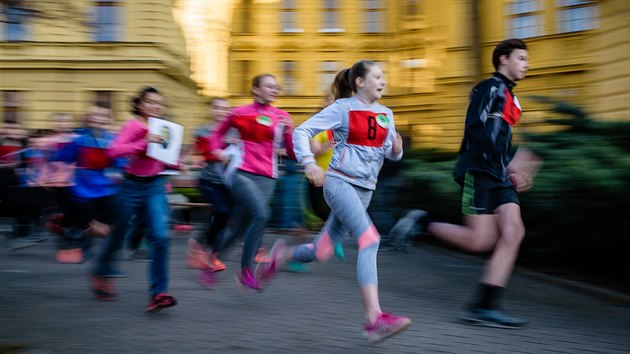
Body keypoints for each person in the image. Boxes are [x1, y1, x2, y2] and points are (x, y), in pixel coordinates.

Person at [258, 60, 411, 343]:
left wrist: (397, 149)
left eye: (383, 76)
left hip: (365, 190)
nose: (383, 81)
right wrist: (309, 163)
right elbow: (302, 132)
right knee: (370, 240)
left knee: (322, 250)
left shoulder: (386, 114)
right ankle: (374, 319)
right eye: (377, 76)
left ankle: (281, 256)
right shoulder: (343, 109)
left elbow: (388, 153)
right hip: (339, 183)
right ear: (360, 82)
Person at [424, 38, 536, 328]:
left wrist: (513, 167)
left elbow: (501, 139)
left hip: (498, 175)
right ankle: (422, 223)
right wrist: (500, 165)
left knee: (514, 233)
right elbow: (477, 131)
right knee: (480, 241)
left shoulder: (512, 98)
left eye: (526, 59)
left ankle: (486, 306)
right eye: (521, 58)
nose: (526, 64)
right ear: (503, 60)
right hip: (479, 172)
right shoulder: (488, 89)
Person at [90, 86, 178, 312]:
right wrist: (144, 142)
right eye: (150, 102)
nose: (156, 106)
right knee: (118, 237)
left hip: (155, 187)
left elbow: (163, 160)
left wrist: (175, 163)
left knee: (161, 236)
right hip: (130, 186)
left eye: (159, 103)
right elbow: (113, 152)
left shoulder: (165, 129)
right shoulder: (133, 125)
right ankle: (100, 271)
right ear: (139, 104)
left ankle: (158, 293)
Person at [209, 74, 295, 291]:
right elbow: (215, 136)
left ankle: (210, 262)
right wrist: (217, 150)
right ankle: (246, 271)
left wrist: (290, 131)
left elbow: (292, 153)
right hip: (242, 173)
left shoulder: (282, 116)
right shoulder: (239, 112)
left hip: (268, 177)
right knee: (262, 215)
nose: (275, 89)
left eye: (277, 87)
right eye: (269, 86)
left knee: (239, 227)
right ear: (256, 89)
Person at [53, 102, 124, 263]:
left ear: (110, 119)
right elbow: (61, 157)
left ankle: (100, 251)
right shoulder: (80, 140)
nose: (100, 119)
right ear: (89, 119)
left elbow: (120, 161)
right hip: (84, 188)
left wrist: (120, 170)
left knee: (112, 224)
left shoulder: (114, 140)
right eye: (96, 115)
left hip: (107, 187)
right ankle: (85, 249)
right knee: (89, 223)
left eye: (104, 116)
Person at [185, 97, 234, 286]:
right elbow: (197, 152)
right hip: (208, 181)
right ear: (212, 110)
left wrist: (235, 143)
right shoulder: (202, 130)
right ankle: (207, 253)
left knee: (222, 218)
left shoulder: (234, 131)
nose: (221, 111)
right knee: (221, 212)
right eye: (218, 108)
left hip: (227, 183)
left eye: (225, 108)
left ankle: (201, 246)